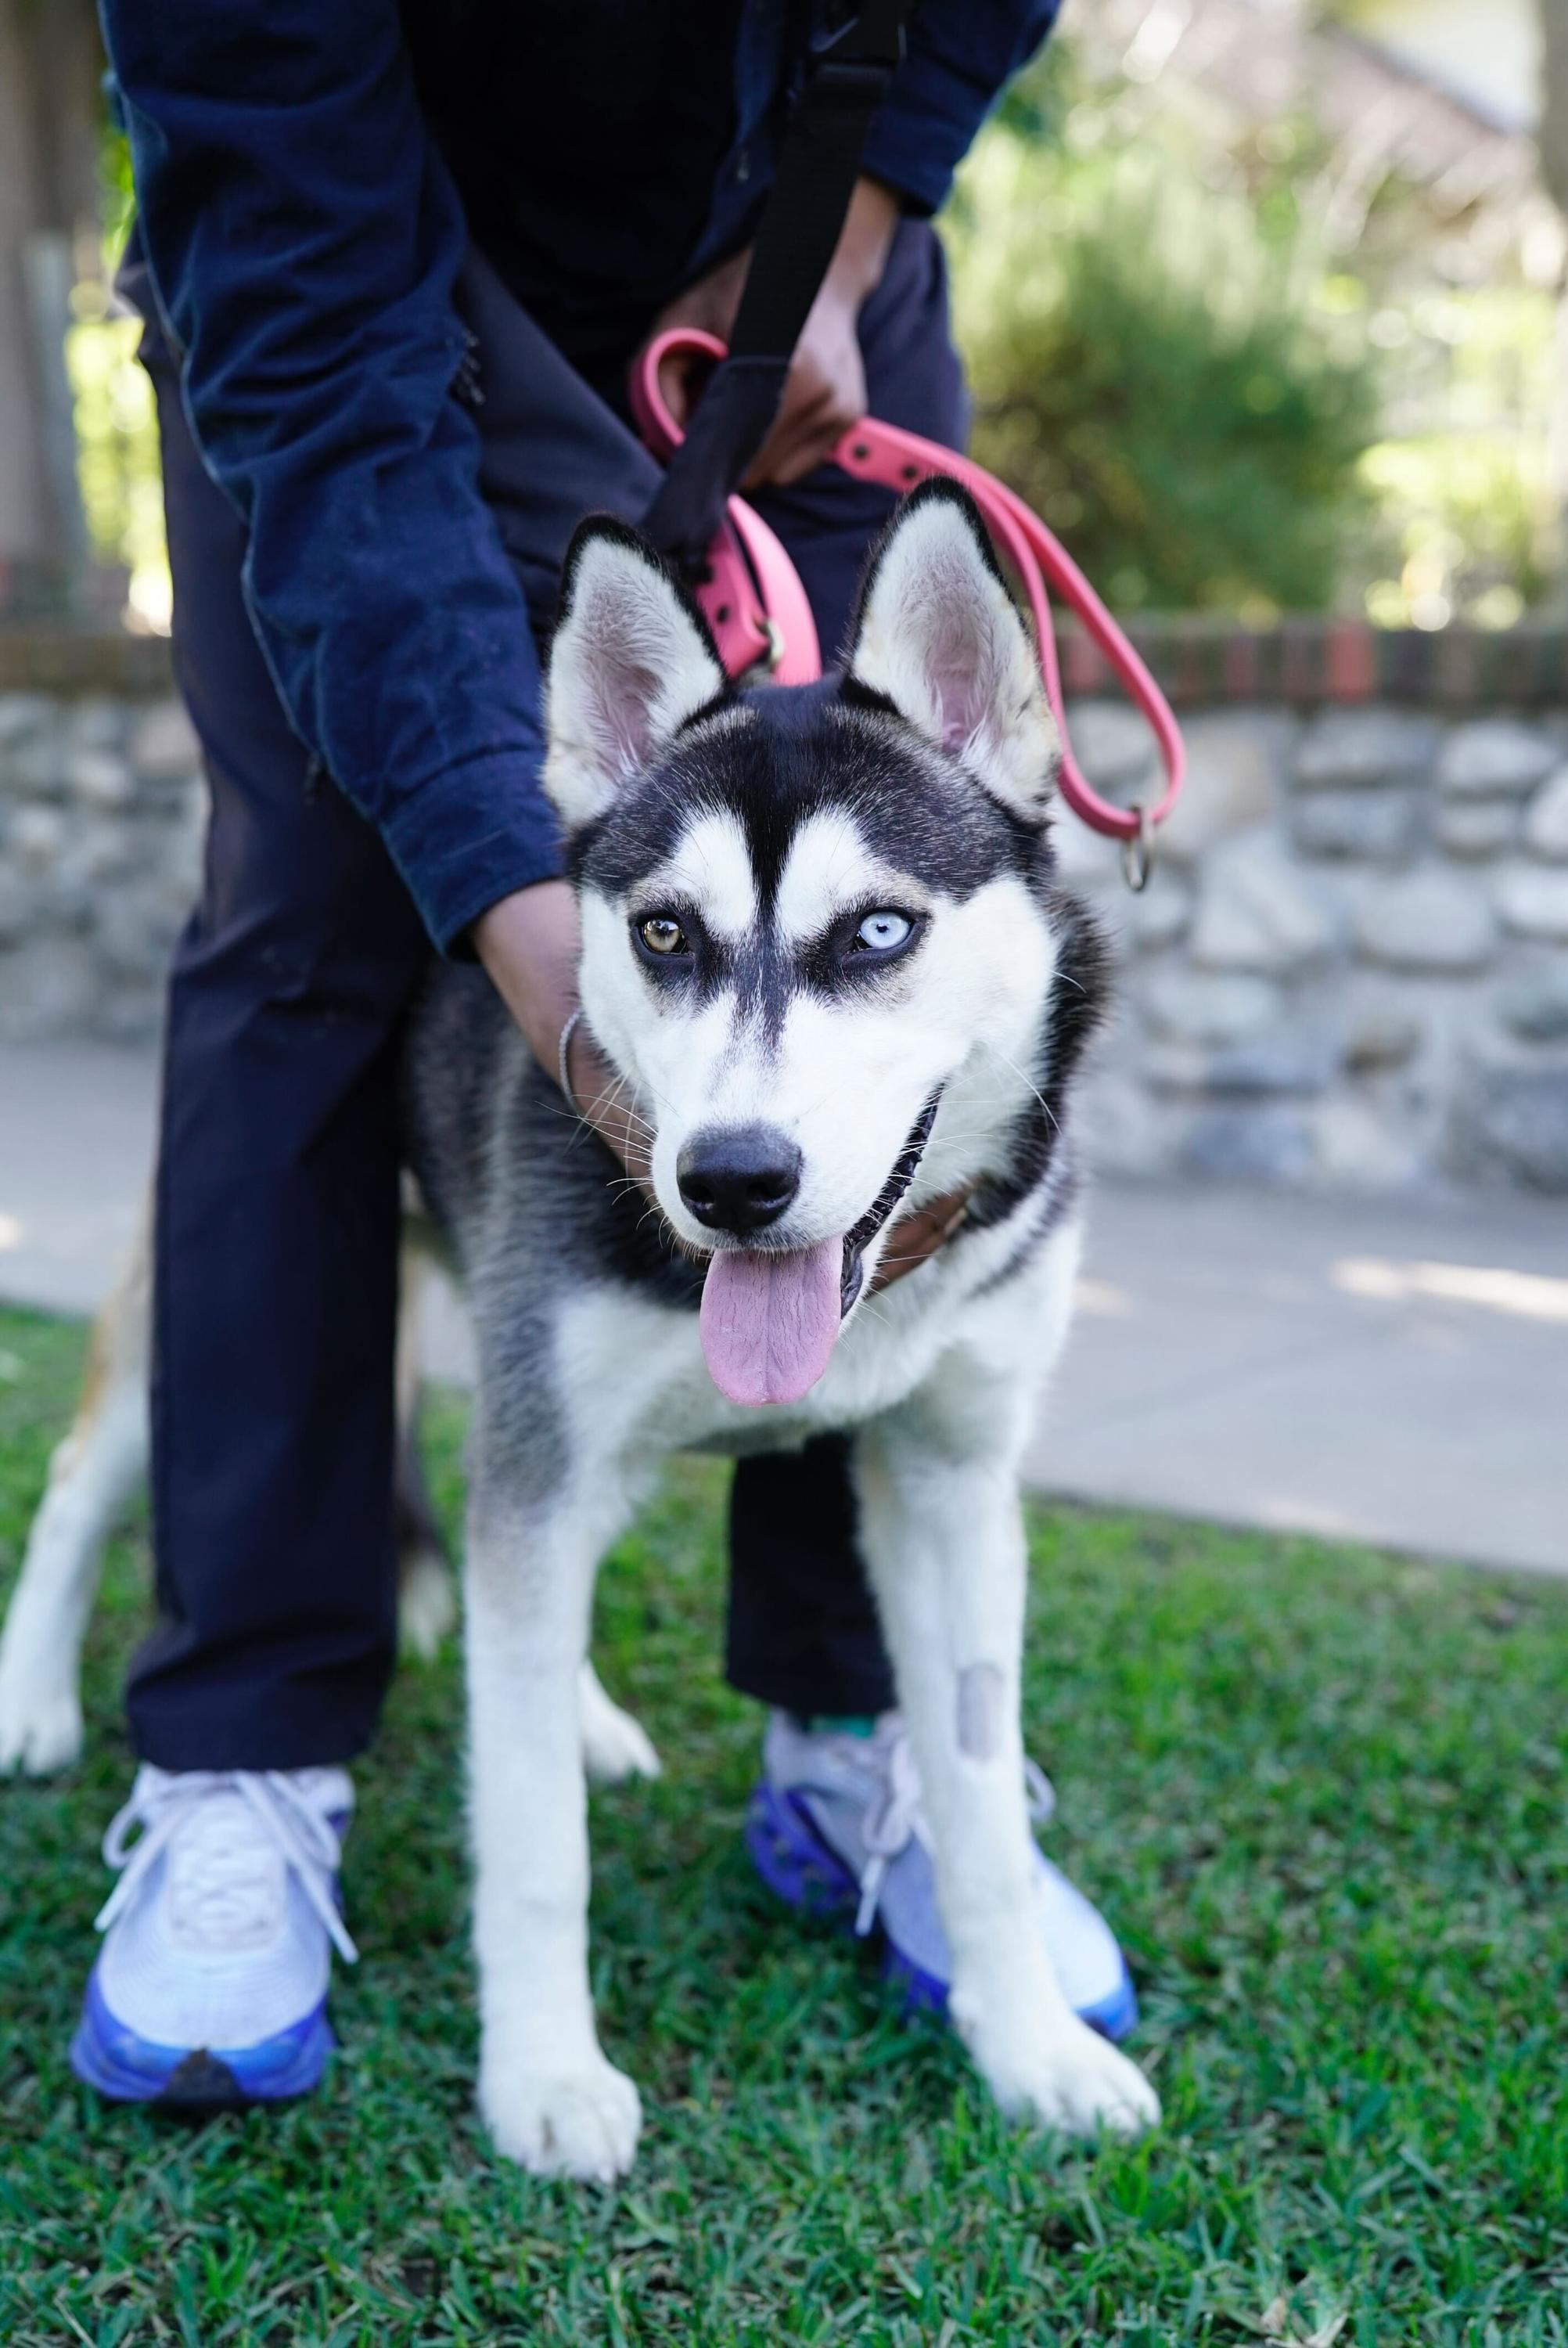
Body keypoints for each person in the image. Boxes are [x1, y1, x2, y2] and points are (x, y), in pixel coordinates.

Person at [73, 0, 1137, 2111]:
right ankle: (244, 1761)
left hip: (785, 238)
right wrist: (531, 907)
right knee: (307, 926)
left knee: (844, 901)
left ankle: (870, 1761)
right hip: (335, 283)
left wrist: (847, 232)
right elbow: (294, 257)